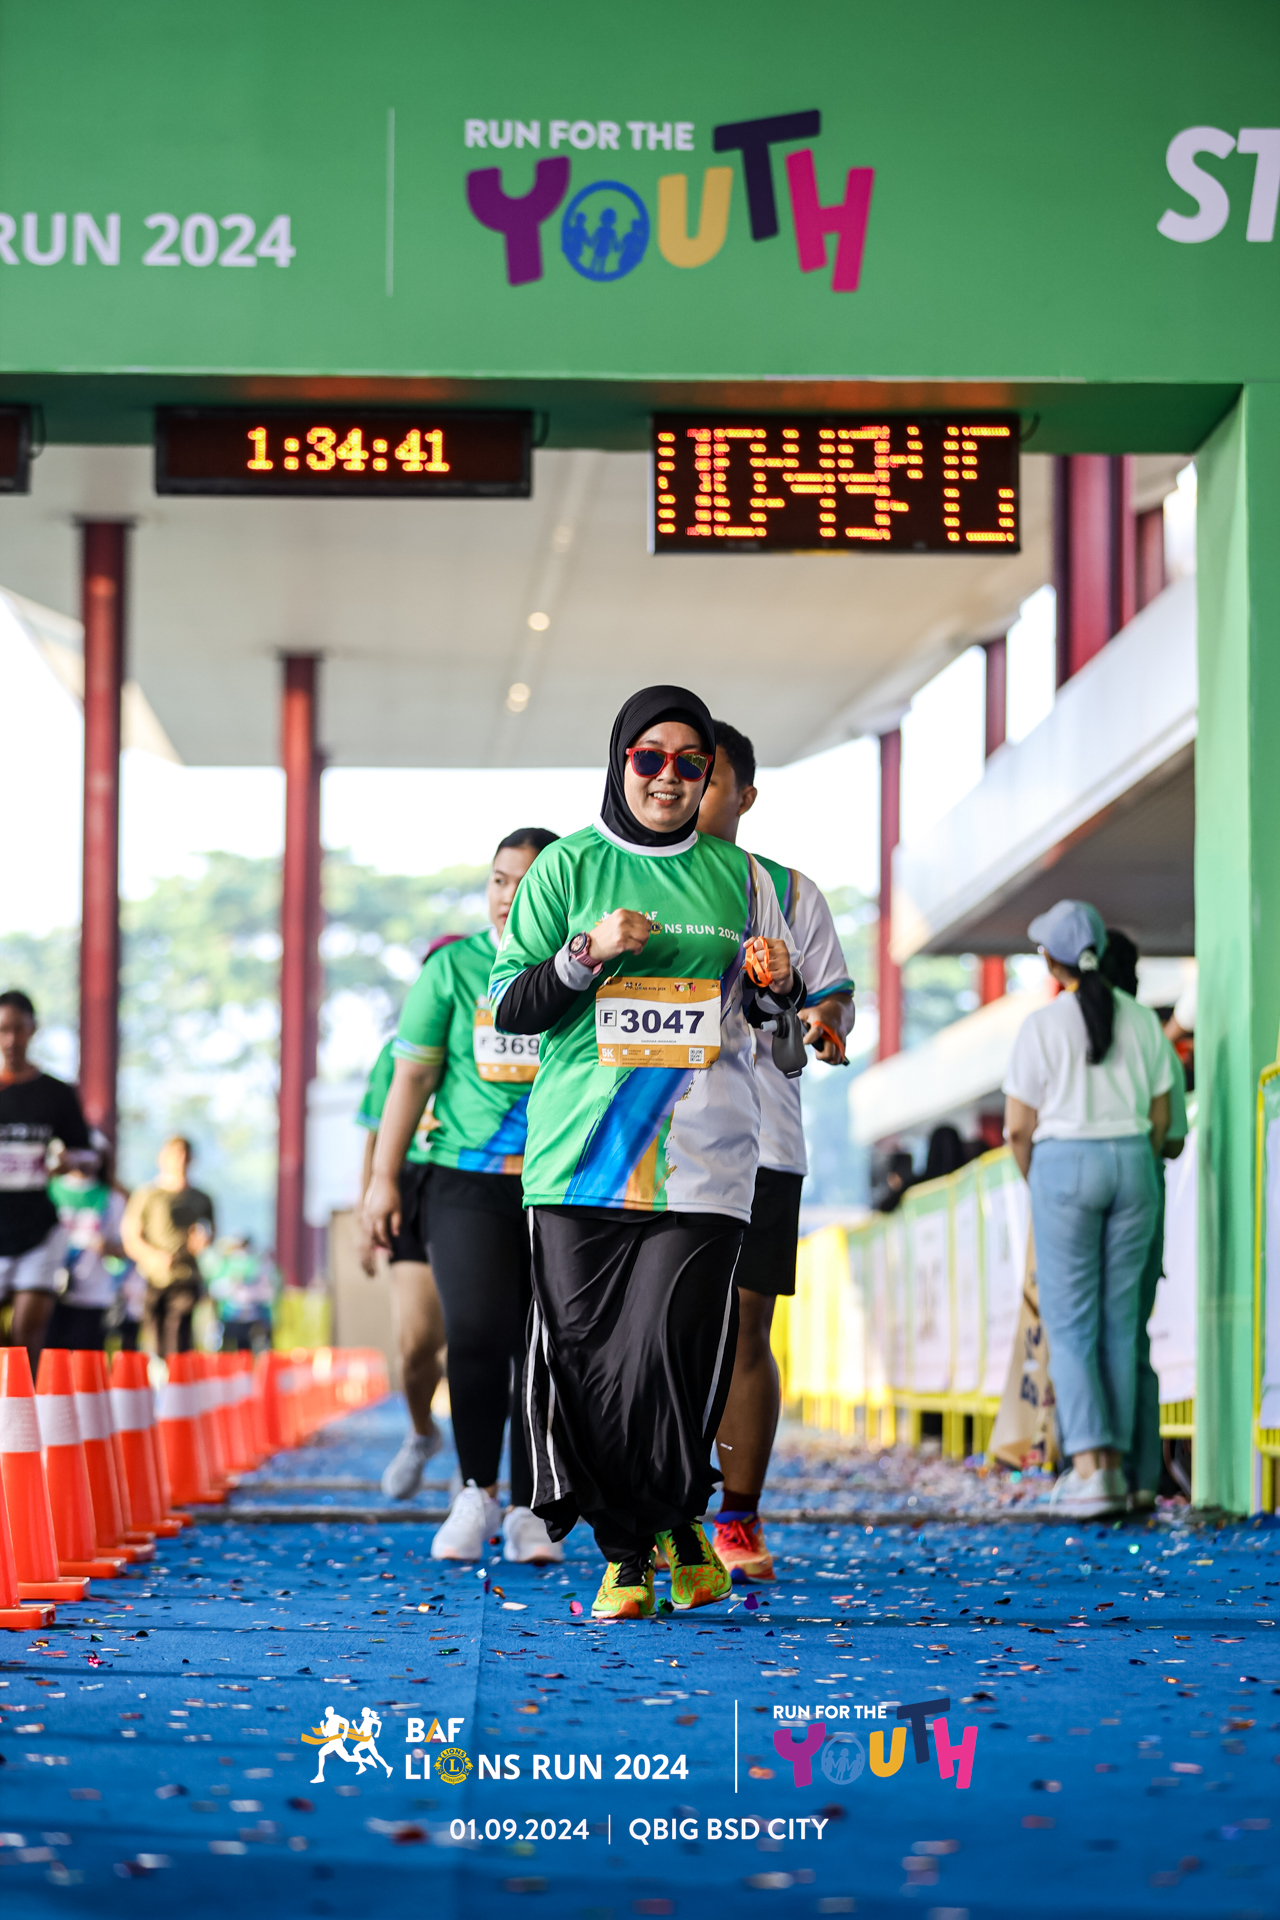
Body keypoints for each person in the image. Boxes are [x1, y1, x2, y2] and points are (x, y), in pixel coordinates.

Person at [489, 686, 804, 1620]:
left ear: (710, 776)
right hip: (579, 1162)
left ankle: (629, 1556)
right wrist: (585, 954)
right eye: (650, 759)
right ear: (620, 761)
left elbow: (776, 1029)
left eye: (690, 763)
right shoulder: (568, 867)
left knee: (671, 1360)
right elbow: (511, 1006)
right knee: (590, 1367)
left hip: (705, 1163)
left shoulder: (742, 880)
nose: (669, 778)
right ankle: (669, 1534)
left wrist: (780, 988)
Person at [363, 830, 562, 1564]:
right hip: (464, 1180)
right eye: (499, 880)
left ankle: (534, 1507)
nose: (509, 897)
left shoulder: (590, 970)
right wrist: (383, 1178)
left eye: (528, 883)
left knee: (543, 1348)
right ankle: (475, 1492)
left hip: (563, 1182)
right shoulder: (452, 968)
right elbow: (411, 1077)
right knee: (475, 1334)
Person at [695, 718, 854, 1583]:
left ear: (746, 795)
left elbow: (832, 1000)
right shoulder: (626, 886)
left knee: (747, 1324)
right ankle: (658, 1512)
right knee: (666, 1330)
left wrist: (821, 1022)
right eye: (674, 768)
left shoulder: (790, 892)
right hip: (652, 1143)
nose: (686, 786)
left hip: (763, 1140)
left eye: (707, 774)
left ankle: (738, 1517)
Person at [1002, 900, 1171, 1519]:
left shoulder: (1042, 1026)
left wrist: (1039, 1179)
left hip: (1064, 1165)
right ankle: (1122, 1471)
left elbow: (1018, 1128)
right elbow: (1161, 1119)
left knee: (1071, 1326)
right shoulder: (1143, 1020)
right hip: (1134, 1165)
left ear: (1051, 961)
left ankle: (1090, 1471)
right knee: (1122, 1325)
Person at [355, 943, 457, 1499]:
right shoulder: (395, 1051)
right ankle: (421, 1433)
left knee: (478, 1338)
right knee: (418, 1343)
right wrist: (366, 1208)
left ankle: (481, 1470)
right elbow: (375, 1135)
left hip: (479, 1180)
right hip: (413, 1189)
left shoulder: (505, 1032)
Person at [1099, 929, 1189, 1509]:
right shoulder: (1150, 1032)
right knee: (1131, 1337)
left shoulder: (1057, 1025)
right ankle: (1140, 1477)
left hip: (1072, 1194)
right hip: (1143, 1187)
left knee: (1081, 1334)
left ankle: (1092, 1467)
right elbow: (1173, 1135)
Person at [0, 989, 94, 1367]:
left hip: (38, 1231)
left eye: (18, 1029)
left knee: (25, 1332)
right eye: (2, 1030)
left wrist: (71, 1160)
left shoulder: (56, 1093)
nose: (10, 1039)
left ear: (32, 1029)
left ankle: (27, 1401)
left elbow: (90, 1155)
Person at [120, 1136, 216, 1356]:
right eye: (174, 1155)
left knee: (179, 1340)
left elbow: (209, 1232)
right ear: (162, 1158)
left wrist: (203, 1241)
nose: (179, 1161)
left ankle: (176, 1375)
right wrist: (152, 1256)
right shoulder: (147, 1195)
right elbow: (130, 1237)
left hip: (185, 1277)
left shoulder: (201, 1198)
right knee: (154, 1339)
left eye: (184, 1156)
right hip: (152, 1278)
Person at [46, 1131, 131, 1351]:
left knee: (85, 1357)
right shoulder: (47, 1191)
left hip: (93, 1295)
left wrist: (107, 1247)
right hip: (48, 1290)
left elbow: (127, 1247)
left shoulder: (112, 1198)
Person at [201, 1234, 278, 1352]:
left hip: (255, 1321)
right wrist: (231, 1284)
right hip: (230, 1320)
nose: (241, 1252)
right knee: (232, 1353)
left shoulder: (258, 1266)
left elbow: (269, 1293)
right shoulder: (224, 1266)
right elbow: (214, 1289)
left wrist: (252, 1292)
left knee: (256, 1352)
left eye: (243, 1246)